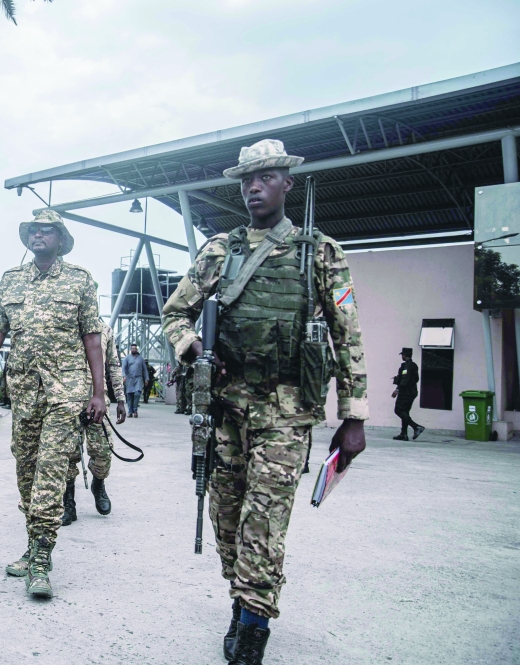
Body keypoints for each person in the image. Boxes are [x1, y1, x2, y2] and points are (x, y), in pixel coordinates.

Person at [161, 139, 368, 664]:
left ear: (286, 183)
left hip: (286, 412)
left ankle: (253, 628)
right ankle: (242, 598)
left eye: (266, 177)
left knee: (264, 521)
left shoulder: (319, 252)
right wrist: (193, 347)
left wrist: (354, 416)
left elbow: (348, 337)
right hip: (225, 410)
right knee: (226, 518)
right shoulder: (218, 251)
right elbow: (173, 314)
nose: (254, 187)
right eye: (247, 180)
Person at [0, 210, 107, 599]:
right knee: (26, 469)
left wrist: (99, 392)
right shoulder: (10, 281)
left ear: (60, 239)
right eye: (34, 230)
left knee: (50, 470)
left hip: (67, 391)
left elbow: (93, 338)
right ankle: (32, 546)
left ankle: (43, 558)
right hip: (25, 392)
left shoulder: (80, 281)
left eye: (47, 230)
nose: (39, 235)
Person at [62, 319, 127, 525]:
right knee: (68, 453)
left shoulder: (105, 330)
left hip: (98, 400)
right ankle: (68, 502)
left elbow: (114, 365)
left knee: (103, 451)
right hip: (68, 400)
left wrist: (121, 399)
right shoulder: (66, 325)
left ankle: (98, 484)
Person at [392, 347, 424, 440]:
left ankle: (416, 427)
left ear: (405, 355)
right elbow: (416, 379)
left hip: (406, 392)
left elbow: (405, 379)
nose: (402, 356)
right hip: (412, 392)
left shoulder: (407, 366)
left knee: (398, 410)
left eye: (402, 355)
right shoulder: (414, 365)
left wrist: (397, 389)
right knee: (405, 412)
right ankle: (404, 434)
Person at [121, 343, 147, 417]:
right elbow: (123, 368)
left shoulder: (141, 359)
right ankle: (130, 411)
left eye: (135, 348)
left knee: (137, 394)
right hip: (129, 379)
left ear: (137, 349)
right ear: (130, 349)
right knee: (129, 395)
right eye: (132, 348)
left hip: (138, 378)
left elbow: (145, 370)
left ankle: (135, 410)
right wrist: (124, 376)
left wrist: (146, 379)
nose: (134, 349)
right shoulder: (127, 358)